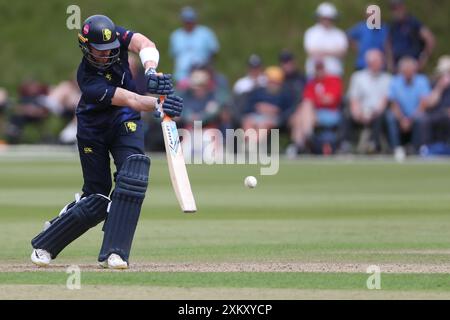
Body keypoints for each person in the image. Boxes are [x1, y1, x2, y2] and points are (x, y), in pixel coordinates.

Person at [29, 15, 182, 269]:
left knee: (133, 175)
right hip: (93, 129)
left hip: (125, 122)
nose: (106, 56)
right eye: (99, 51)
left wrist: (151, 70)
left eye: (111, 50)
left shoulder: (115, 36)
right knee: (97, 200)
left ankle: (115, 253)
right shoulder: (88, 80)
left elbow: (145, 43)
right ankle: (47, 242)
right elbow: (131, 99)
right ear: (86, 47)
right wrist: (158, 103)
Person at [288, 60, 343, 156]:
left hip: (329, 112)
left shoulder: (333, 80)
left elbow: (331, 100)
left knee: (302, 114)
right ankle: (305, 138)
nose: (319, 71)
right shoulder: (311, 84)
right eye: (317, 69)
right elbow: (308, 99)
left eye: (321, 68)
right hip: (312, 114)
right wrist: (320, 99)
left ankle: (300, 144)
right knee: (303, 110)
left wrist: (317, 100)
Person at [341, 49, 391, 153]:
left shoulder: (388, 79)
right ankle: (346, 144)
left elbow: (384, 101)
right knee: (346, 115)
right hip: (360, 111)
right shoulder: (358, 77)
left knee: (381, 117)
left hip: (377, 112)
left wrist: (374, 113)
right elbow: (354, 98)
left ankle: (373, 145)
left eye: (378, 61)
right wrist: (358, 113)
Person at [386, 57, 431, 158]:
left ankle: (415, 148)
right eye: (405, 71)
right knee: (390, 117)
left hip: (415, 114)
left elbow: (423, 104)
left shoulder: (422, 81)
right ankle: (396, 148)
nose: (408, 74)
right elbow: (394, 104)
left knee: (421, 119)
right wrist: (402, 119)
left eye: (410, 71)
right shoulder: (395, 82)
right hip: (401, 115)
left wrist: (410, 119)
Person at [169, 6, 220, 83]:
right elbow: (174, 55)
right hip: (182, 75)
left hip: (202, 73)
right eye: (186, 21)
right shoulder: (176, 35)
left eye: (191, 20)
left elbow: (213, 52)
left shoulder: (205, 33)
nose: (189, 23)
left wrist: (208, 68)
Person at [386, 0, 435, 72]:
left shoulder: (413, 23)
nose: (396, 11)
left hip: (412, 63)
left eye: (398, 8)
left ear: (403, 8)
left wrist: (423, 59)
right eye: (394, 9)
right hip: (398, 65)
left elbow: (430, 39)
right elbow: (388, 44)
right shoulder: (393, 25)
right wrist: (390, 63)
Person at [303, 2, 348, 78]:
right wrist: (333, 52)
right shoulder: (311, 32)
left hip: (334, 72)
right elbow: (311, 51)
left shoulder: (339, 34)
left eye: (329, 18)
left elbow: (342, 53)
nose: (327, 21)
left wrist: (321, 51)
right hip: (314, 74)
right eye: (324, 18)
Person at [420, 56, 450, 148]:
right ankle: (426, 148)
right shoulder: (433, 84)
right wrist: (440, 87)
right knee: (425, 120)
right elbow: (429, 103)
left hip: (447, 114)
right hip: (434, 113)